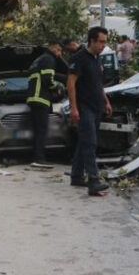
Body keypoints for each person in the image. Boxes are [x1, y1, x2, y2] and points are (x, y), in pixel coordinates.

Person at [67, 27, 112, 196]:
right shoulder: (79, 59)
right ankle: (93, 180)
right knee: (90, 142)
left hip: (97, 106)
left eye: (104, 42)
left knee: (84, 141)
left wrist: (106, 101)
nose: (103, 45)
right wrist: (74, 108)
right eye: (100, 42)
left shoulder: (97, 59)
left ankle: (77, 176)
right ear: (91, 41)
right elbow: (70, 83)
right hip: (84, 107)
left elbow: (98, 84)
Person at [26, 42, 65, 169]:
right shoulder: (49, 59)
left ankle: (34, 157)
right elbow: (48, 80)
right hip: (41, 98)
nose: (60, 54)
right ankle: (39, 159)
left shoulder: (38, 60)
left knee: (37, 130)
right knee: (42, 130)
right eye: (59, 50)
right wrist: (58, 87)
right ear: (52, 48)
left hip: (33, 98)